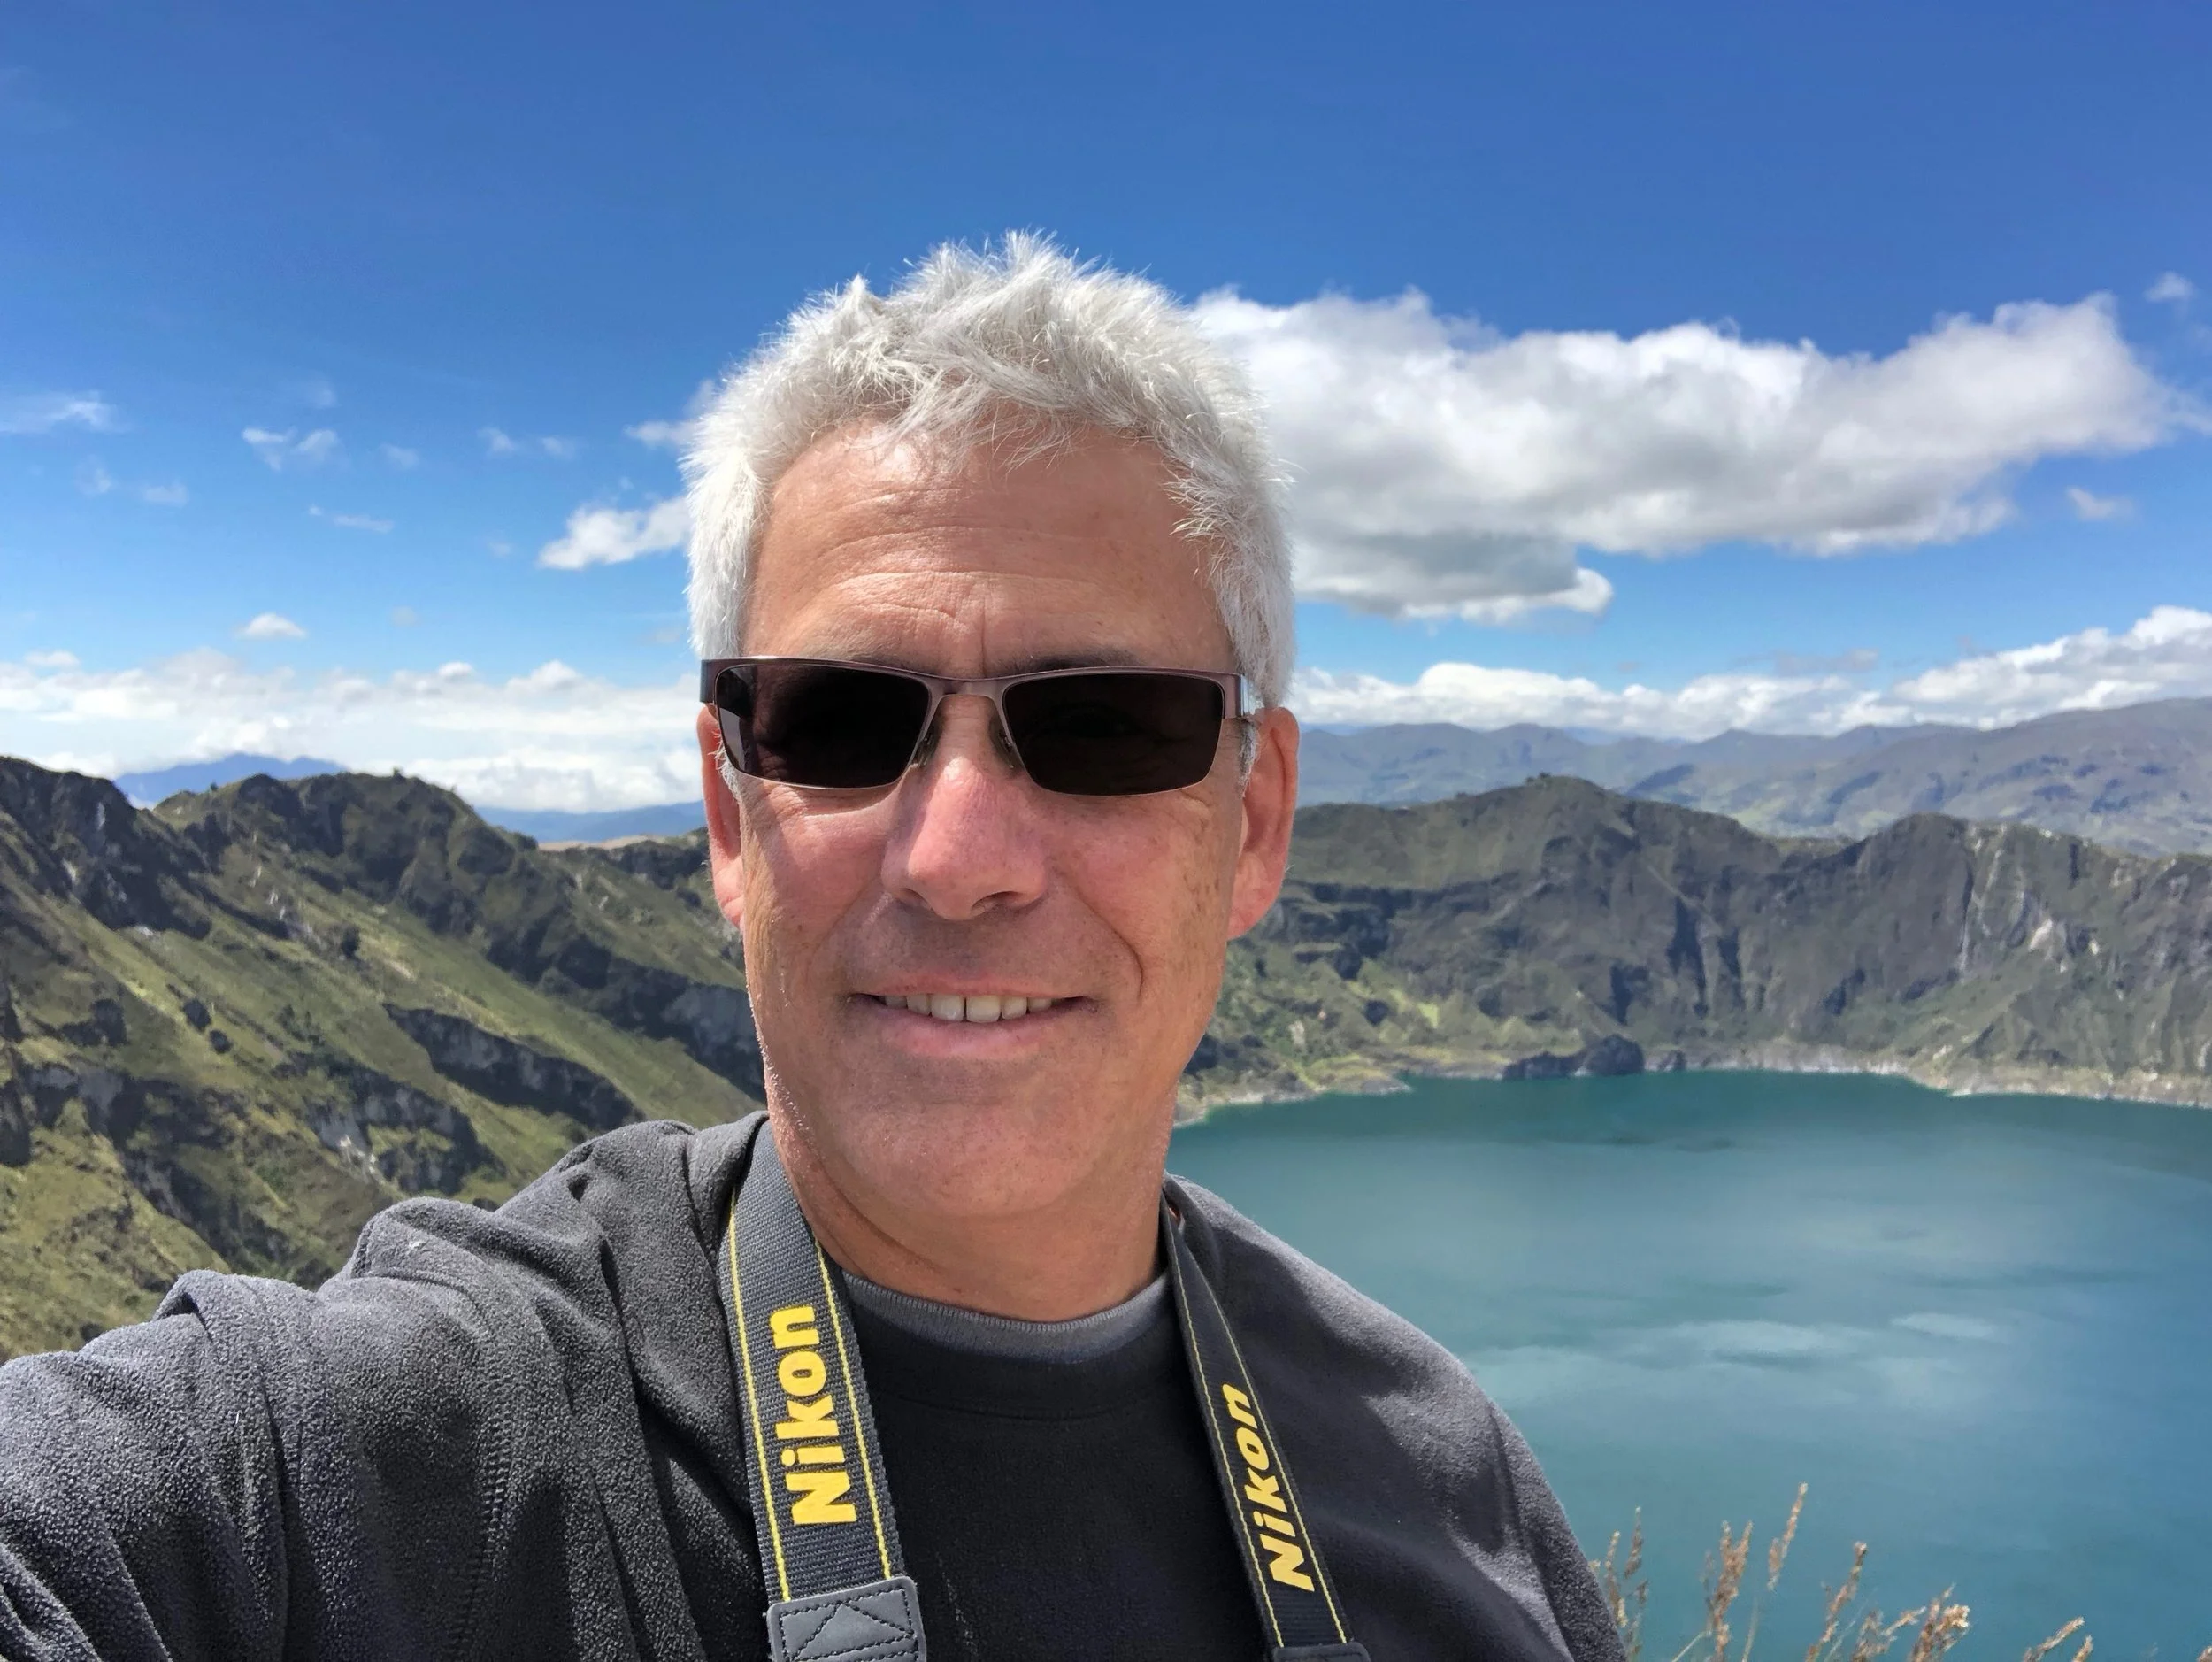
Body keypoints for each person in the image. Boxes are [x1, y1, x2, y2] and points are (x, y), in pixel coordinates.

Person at [0, 237, 1623, 1662]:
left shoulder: (1452, 1489)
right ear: (727, 811)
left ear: (1254, 820)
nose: (962, 853)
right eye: (840, 721)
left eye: (1107, 725)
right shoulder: (392, 1457)